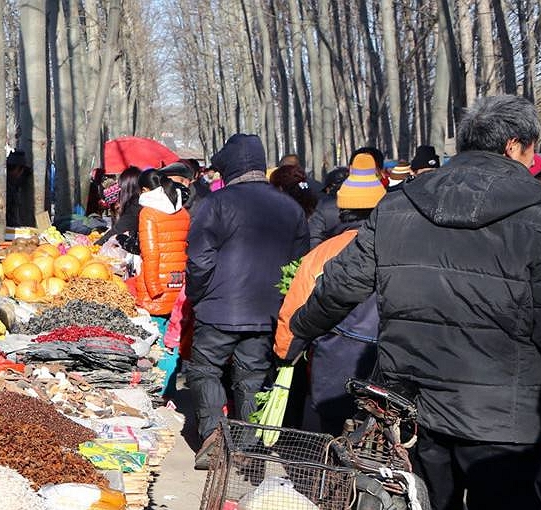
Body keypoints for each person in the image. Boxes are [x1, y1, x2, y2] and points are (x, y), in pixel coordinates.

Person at [290, 95, 541, 510]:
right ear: (517, 147)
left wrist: (303, 324)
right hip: (507, 415)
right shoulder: (540, 216)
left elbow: (343, 285)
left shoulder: (403, 203)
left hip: (412, 403)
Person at [185, 133, 309, 468]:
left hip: (218, 308)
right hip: (267, 312)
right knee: (251, 376)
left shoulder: (216, 203)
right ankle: (247, 447)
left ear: (229, 168)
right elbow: (299, 266)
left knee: (204, 369)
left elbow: (199, 260)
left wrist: (198, 295)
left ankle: (212, 435)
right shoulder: (290, 207)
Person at [274, 153, 386, 434]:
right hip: (386, 362)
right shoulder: (400, 249)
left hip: (337, 360)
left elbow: (297, 303)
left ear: (343, 212)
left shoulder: (325, 252)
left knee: (333, 436)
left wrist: (286, 350)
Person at [133, 168, 190, 316]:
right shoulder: (183, 212)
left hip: (156, 288)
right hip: (179, 281)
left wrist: (153, 288)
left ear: (145, 190)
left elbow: (150, 253)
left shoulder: (148, 213)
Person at [96, 166, 141, 249]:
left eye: (121, 187)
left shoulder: (135, 205)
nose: (119, 191)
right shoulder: (141, 202)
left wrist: (97, 245)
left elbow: (118, 229)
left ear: (127, 187)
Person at [308, 166, 348, 248]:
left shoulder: (323, 208)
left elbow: (314, 240)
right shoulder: (368, 205)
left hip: (328, 256)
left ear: (330, 188)